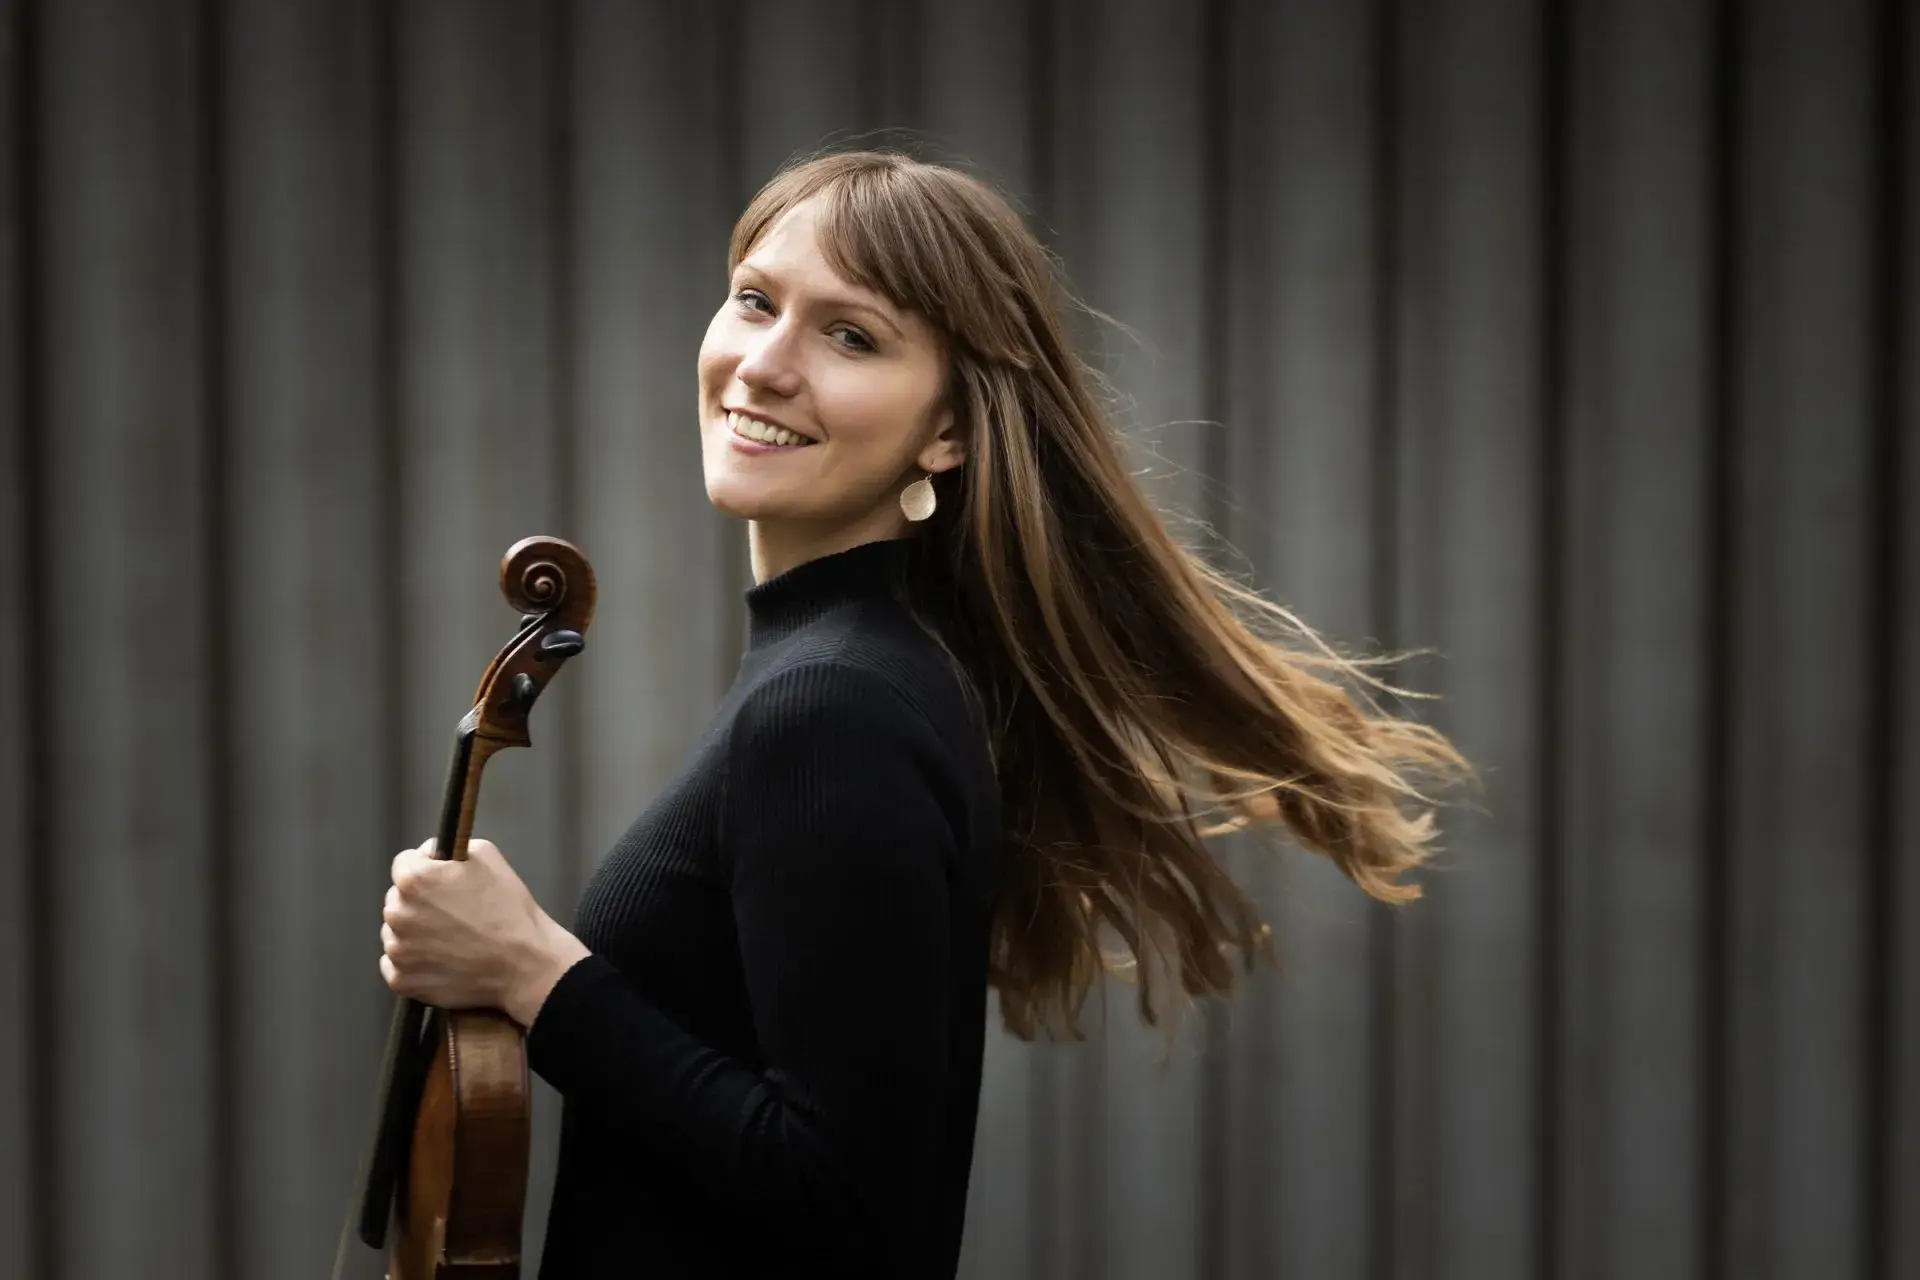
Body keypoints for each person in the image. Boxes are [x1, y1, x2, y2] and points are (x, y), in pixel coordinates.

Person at [375, 149, 1469, 1278]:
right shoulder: (863, 670)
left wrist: (533, 974)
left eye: (851, 336)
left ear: (947, 433)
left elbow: (851, 1205)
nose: (766, 363)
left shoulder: (831, 707)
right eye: (756, 300)